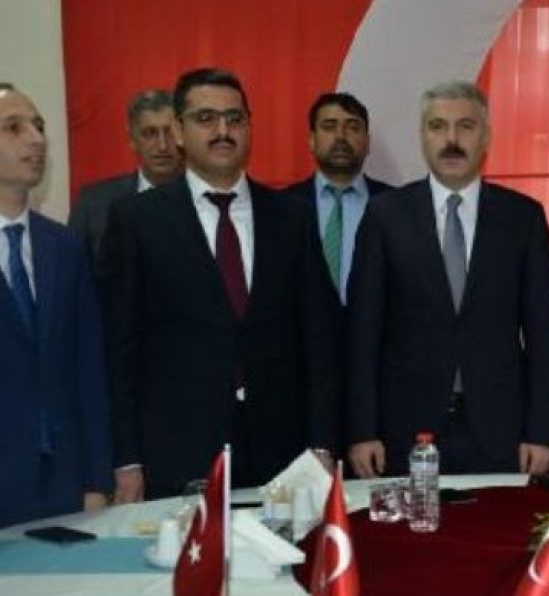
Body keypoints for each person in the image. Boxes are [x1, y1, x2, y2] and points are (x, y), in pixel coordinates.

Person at [100, 68, 339, 500]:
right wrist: (126, 458)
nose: (223, 131)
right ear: (178, 130)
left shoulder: (291, 217)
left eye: (234, 118)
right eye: (206, 118)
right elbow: (119, 349)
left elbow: (320, 338)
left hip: (283, 456)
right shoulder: (137, 220)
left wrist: (322, 442)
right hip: (178, 453)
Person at [346, 80, 549, 476]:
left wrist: (542, 431)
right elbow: (363, 331)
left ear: (486, 137)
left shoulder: (523, 218)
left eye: (465, 126)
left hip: (502, 431)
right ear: (422, 136)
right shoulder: (386, 216)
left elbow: (543, 334)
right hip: (405, 431)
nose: (451, 140)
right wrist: (363, 430)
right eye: (438, 126)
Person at [0, 83, 112, 526]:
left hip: (65, 486)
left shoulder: (63, 246)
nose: (36, 139)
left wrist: (97, 480)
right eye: (14, 128)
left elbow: (89, 368)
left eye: (39, 126)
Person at [282, 92, 393, 305]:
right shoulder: (282, 207)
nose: (341, 136)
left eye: (352, 127)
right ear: (312, 140)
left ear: (367, 143)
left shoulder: (396, 207)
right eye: (329, 126)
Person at [68, 89, 182, 270]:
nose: (162, 145)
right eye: (150, 133)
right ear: (132, 140)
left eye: (170, 133)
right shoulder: (94, 204)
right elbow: (73, 274)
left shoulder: (206, 199)